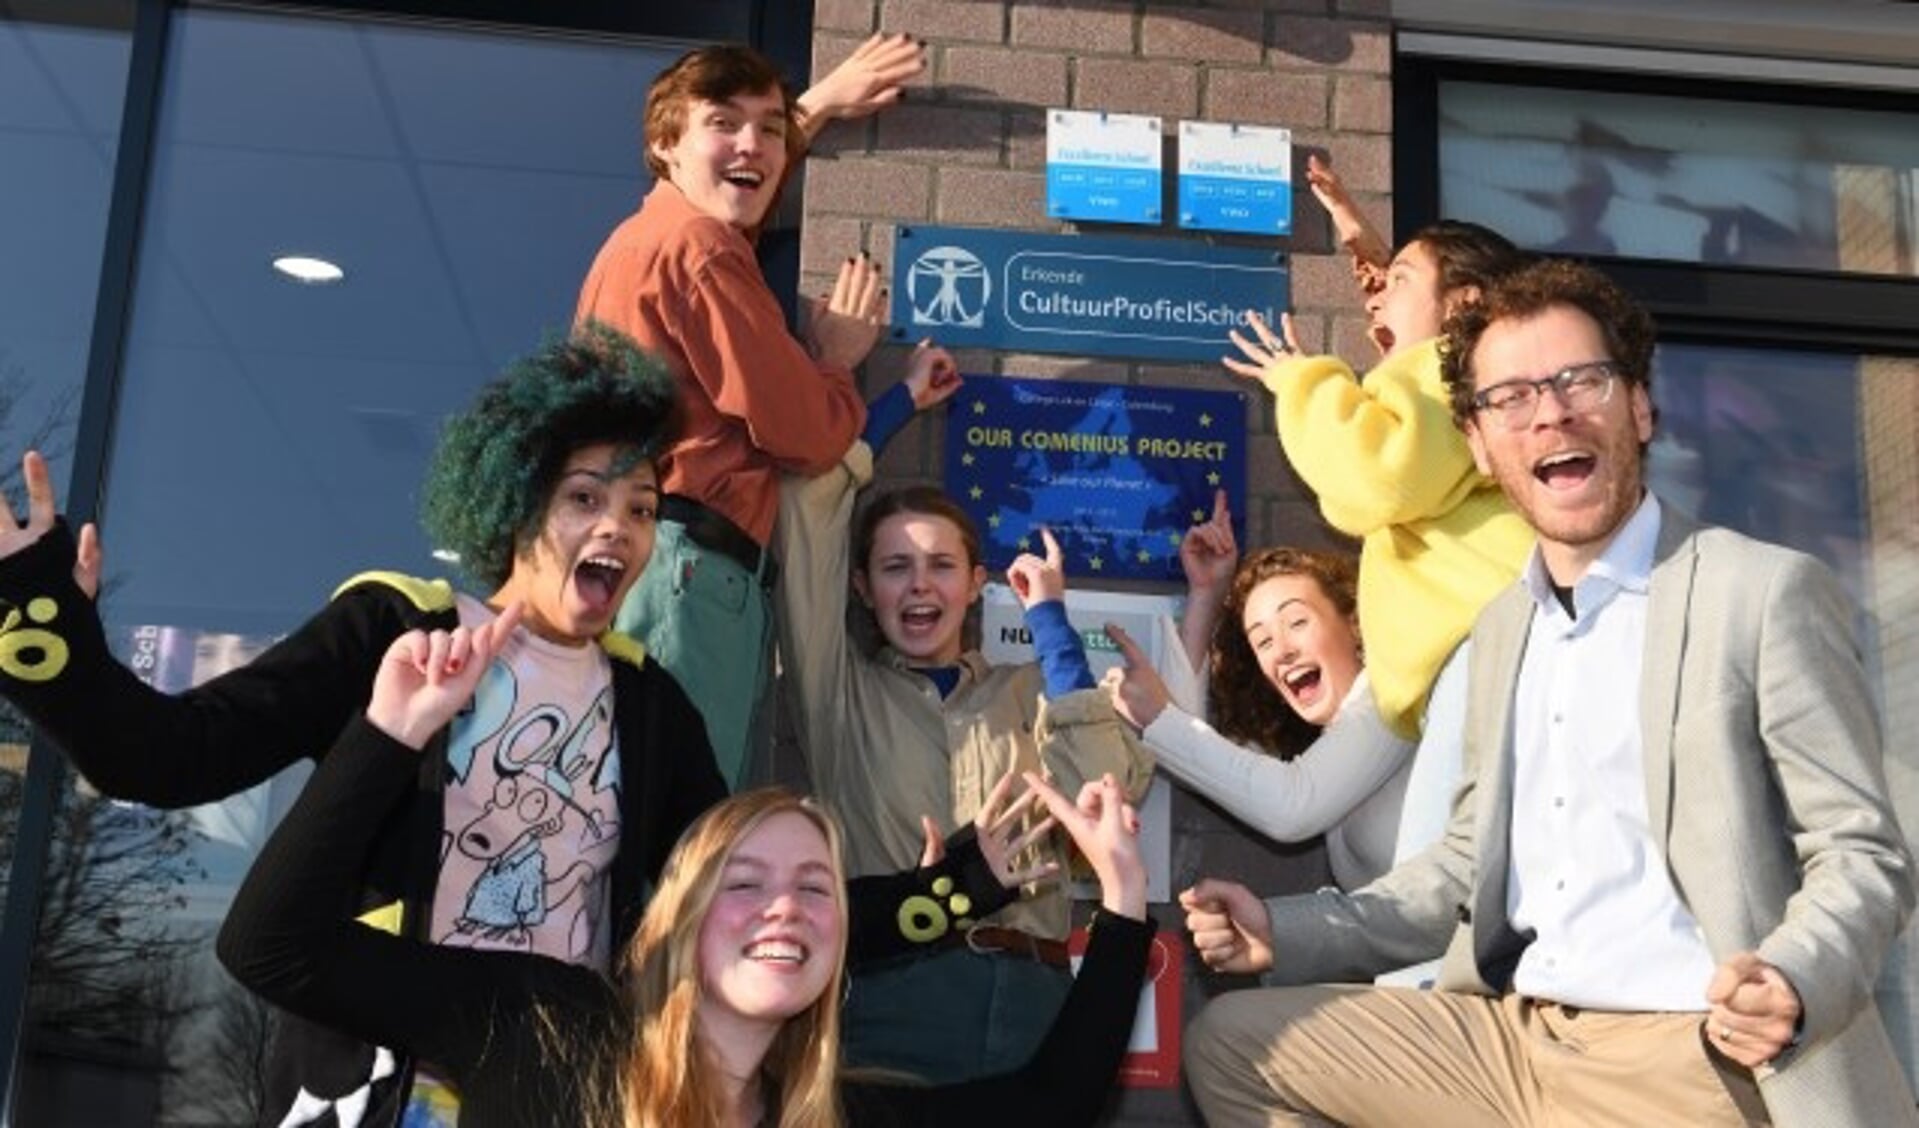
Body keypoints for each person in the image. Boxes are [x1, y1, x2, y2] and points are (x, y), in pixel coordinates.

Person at [1180, 259, 1917, 1127]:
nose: (1551, 412)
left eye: (1582, 380)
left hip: (1693, 1059)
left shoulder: (1759, 592)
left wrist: (1793, 971)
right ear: (1481, 443)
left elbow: (1862, 852)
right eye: (1512, 397)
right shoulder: (1499, 631)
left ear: (1638, 407)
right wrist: (1284, 924)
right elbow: (1457, 872)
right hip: (1515, 1047)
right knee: (1235, 1044)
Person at [0, 327, 732, 1126]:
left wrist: (898, 899)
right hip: (383, 1082)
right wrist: (49, 638)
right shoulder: (395, 629)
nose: (618, 529)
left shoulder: (650, 704)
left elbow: (739, 893)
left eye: (641, 510)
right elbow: (168, 760)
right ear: (519, 504)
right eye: (585, 498)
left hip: (548, 1088)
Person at [216, 602, 1154, 1128]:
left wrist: (1119, 901)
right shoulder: (547, 1024)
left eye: (814, 888)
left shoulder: (830, 1116)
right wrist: (389, 735)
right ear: (681, 917)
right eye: (743, 884)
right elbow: (270, 946)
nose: (783, 908)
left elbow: (1052, 1104)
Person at [774, 341, 1155, 1082]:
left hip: (1034, 1013)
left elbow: (1105, 793)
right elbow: (803, 506)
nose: (919, 586)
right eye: (895, 567)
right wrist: (894, 405)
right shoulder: (838, 692)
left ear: (977, 583)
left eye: (941, 565)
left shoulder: (1023, 691)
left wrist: (1049, 622)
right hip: (889, 1007)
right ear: (862, 588)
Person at [575, 36, 924, 788]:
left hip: (659, 567)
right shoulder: (700, 250)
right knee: (682, 841)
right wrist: (831, 359)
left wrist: (818, 107)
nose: (753, 144)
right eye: (725, 123)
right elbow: (809, 434)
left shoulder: (653, 240)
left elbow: (739, 198)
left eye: (769, 127)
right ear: (665, 145)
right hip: (689, 577)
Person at [1221, 205, 1534, 746]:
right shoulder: (1476, 377)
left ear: (1464, 303)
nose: (1375, 298)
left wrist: (1301, 382)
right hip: (1490, 657)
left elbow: (1373, 474)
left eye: (1398, 282)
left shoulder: (1451, 367)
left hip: (1481, 661)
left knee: (1448, 834)